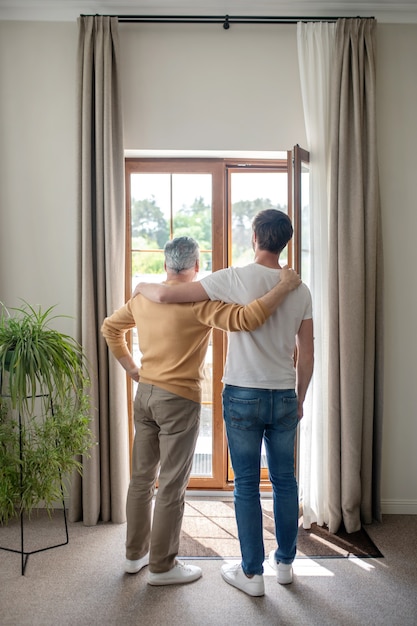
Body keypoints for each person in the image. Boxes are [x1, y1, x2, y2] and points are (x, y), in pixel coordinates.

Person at [101, 235, 301, 588]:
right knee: (172, 484)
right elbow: (247, 319)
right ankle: (162, 567)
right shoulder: (200, 304)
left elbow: (110, 328)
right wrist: (283, 288)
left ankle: (135, 556)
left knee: (142, 478)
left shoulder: (143, 298)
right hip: (178, 400)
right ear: (196, 268)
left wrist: (133, 369)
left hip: (145, 395)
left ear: (166, 266)